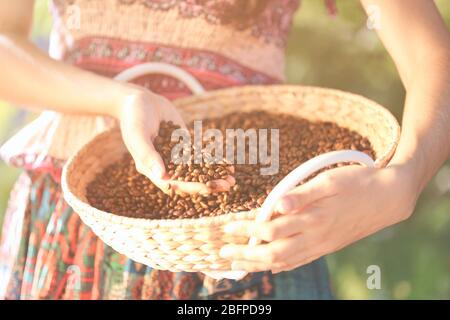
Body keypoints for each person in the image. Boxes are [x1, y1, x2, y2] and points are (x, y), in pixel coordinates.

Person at [0, 0, 449, 300]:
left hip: (252, 229)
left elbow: (433, 59)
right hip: (79, 220)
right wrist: (120, 100)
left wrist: (403, 181)